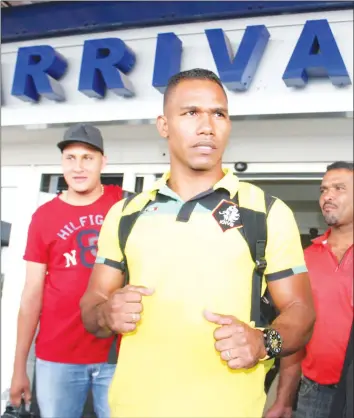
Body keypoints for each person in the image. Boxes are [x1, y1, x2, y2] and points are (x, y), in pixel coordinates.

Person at [80, 68, 316, 418]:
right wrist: (106, 312)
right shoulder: (126, 213)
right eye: (191, 112)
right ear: (164, 125)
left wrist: (264, 342)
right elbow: (92, 306)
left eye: (218, 113)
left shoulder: (264, 212)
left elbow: (302, 312)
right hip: (132, 408)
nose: (207, 126)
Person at [9, 123, 123, 418]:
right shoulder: (44, 217)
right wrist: (19, 367)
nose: (78, 167)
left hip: (118, 354)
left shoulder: (123, 205)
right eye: (70, 158)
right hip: (58, 355)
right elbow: (31, 294)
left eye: (88, 157)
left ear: (103, 162)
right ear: (62, 163)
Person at [265, 161, 353, 418]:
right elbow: (295, 335)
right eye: (324, 190)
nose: (328, 196)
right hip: (313, 393)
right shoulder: (303, 259)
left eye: (339, 188)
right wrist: (283, 400)